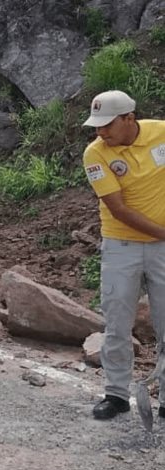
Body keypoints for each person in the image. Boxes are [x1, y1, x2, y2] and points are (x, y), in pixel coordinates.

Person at [81, 90, 165, 420]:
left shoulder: (161, 132)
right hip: (121, 246)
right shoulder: (95, 154)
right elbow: (117, 209)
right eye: (96, 126)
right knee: (117, 323)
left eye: (107, 125)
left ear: (129, 119)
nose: (100, 132)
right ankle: (116, 394)